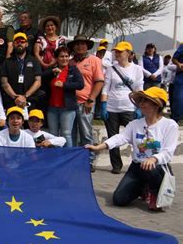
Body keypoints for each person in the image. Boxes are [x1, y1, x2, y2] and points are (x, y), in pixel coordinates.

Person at [86, 87, 178, 211]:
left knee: (152, 168)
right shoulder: (135, 124)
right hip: (137, 167)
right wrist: (99, 147)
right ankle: (142, 187)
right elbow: (120, 138)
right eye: (141, 100)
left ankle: (154, 192)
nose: (141, 104)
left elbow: (168, 151)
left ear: (156, 105)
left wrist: (153, 159)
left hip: (157, 168)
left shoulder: (170, 125)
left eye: (146, 101)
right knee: (119, 199)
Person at [101, 41, 144, 174]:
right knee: (112, 138)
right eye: (116, 51)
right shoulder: (111, 69)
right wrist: (103, 105)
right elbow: (105, 89)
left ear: (128, 53)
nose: (117, 53)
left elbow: (139, 90)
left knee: (136, 138)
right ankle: (116, 165)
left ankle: (139, 162)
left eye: (120, 51)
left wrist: (139, 108)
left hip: (129, 108)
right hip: (112, 108)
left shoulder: (137, 69)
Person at [68, 34, 104, 171]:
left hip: (85, 103)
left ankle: (88, 161)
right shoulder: (70, 62)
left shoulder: (94, 60)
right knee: (71, 134)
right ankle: (74, 160)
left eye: (82, 44)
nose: (80, 46)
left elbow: (99, 81)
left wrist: (91, 99)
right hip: (70, 104)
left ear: (87, 46)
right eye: (77, 44)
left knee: (86, 133)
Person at [41, 46, 84, 148]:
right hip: (52, 108)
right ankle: (54, 158)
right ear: (56, 58)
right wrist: (52, 73)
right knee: (52, 134)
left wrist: (64, 85)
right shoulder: (52, 70)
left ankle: (68, 159)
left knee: (66, 134)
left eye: (66, 56)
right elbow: (41, 78)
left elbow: (80, 84)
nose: (64, 59)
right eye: (61, 56)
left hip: (67, 108)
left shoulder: (73, 70)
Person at [0, 32, 42, 113]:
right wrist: (15, 97)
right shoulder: (7, 62)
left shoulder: (34, 61)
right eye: (17, 42)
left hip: (30, 100)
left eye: (22, 41)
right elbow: (4, 83)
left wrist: (25, 96)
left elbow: (38, 81)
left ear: (26, 44)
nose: (19, 43)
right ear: (13, 44)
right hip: (12, 101)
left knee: (30, 124)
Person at [171, 43, 183, 122]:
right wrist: (179, 64)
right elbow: (174, 59)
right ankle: (175, 118)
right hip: (181, 76)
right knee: (178, 98)